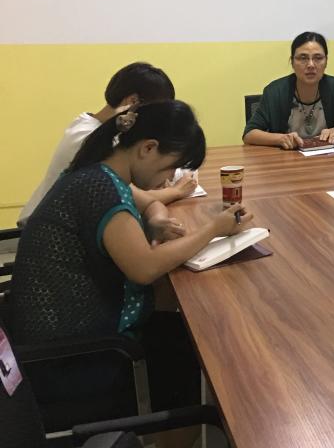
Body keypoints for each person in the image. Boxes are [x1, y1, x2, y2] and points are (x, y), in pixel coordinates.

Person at [6, 100, 253, 419]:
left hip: (59, 334)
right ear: (148, 148)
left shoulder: (99, 173)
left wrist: (154, 223)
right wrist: (213, 229)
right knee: (199, 353)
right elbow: (144, 268)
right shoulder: (100, 189)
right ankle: (176, 426)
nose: (168, 179)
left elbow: (144, 210)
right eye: (170, 168)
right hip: (73, 358)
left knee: (188, 323)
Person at [19, 62, 196, 226]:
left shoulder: (91, 123)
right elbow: (133, 198)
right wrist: (176, 191)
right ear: (132, 102)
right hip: (43, 230)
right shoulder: (90, 138)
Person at [243, 32, 334, 149]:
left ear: (326, 62)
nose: (311, 65)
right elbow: (249, 134)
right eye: (303, 58)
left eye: (318, 58)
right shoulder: (275, 91)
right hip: (287, 160)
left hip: (327, 159)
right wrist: (281, 139)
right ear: (292, 62)